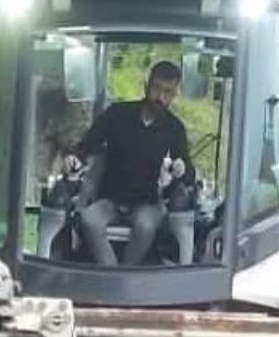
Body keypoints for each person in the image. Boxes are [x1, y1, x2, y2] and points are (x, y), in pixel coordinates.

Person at [70, 61, 195, 266]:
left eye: (168, 92)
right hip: (110, 198)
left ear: (174, 95)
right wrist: (75, 158)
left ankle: (129, 273)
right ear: (146, 86)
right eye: (156, 88)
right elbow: (87, 145)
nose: (160, 97)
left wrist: (181, 168)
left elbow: (188, 171)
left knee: (145, 226)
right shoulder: (117, 114)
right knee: (89, 220)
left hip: (146, 202)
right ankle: (113, 274)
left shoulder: (174, 128)